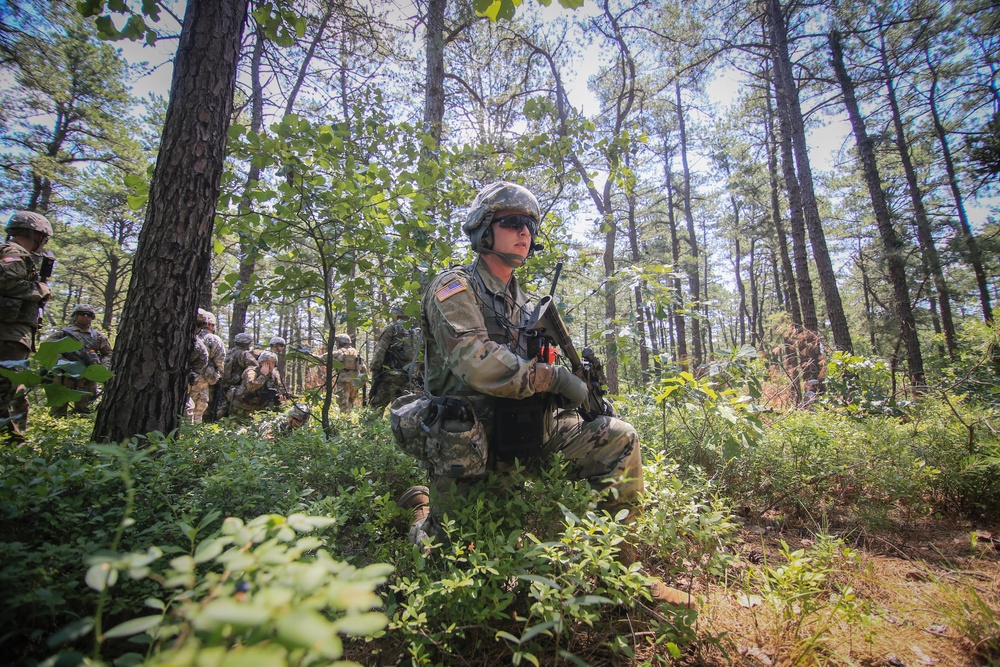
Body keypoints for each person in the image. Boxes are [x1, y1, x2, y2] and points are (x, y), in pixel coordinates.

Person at [395, 181, 690, 606]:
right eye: (512, 222)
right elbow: (475, 361)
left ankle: (623, 572)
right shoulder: (454, 288)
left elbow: (538, 369)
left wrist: (574, 388)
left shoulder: (523, 302)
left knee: (618, 437)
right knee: (455, 564)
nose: (524, 232)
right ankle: (421, 512)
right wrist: (553, 379)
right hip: (472, 443)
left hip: (528, 432)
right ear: (483, 231)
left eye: (530, 225)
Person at [0, 211, 54, 442]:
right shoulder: (14, 254)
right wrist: (40, 290)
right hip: (9, 334)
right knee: (8, 389)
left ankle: (14, 441)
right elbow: (6, 282)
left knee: (14, 390)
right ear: (36, 234)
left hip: (12, 333)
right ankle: (11, 442)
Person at [44, 303, 113, 417]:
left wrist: (102, 366)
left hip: (87, 376)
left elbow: (108, 353)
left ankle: (80, 432)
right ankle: (55, 430)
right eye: (82, 314)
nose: (85, 316)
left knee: (84, 409)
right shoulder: (63, 333)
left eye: (89, 315)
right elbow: (48, 349)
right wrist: (62, 361)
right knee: (58, 409)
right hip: (64, 374)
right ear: (75, 316)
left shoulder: (98, 336)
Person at [367, 305, 419, 410]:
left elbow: (381, 350)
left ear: (396, 315)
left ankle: (371, 425)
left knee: (377, 405)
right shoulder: (417, 330)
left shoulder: (392, 327)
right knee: (405, 408)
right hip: (411, 375)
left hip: (391, 375)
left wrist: (375, 369)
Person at [187, 309, 225, 424]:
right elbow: (220, 361)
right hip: (202, 380)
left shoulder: (187, 335)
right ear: (209, 324)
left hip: (187, 375)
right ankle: (193, 434)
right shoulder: (214, 339)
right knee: (198, 410)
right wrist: (218, 375)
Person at [230, 350, 284, 419]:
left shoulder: (274, 375)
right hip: (244, 408)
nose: (271, 366)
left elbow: (279, 389)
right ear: (261, 363)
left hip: (262, 409)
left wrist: (280, 399)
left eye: (273, 364)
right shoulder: (252, 371)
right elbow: (251, 387)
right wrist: (263, 375)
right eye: (267, 363)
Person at [218, 332, 257, 418]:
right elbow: (255, 368)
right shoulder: (244, 354)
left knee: (224, 409)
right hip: (237, 388)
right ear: (247, 343)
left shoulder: (228, 352)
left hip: (224, 385)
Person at [331, 332, 366, 414]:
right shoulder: (356, 353)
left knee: (343, 405)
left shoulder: (338, 353)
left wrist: (309, 354)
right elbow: (363, 369)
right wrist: (363, 382)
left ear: (340, 343)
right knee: (350, 403)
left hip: (344, 382)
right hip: (355, 382)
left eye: (337, 342)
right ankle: (349, 420)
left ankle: (345, 423)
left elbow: (322, 358)